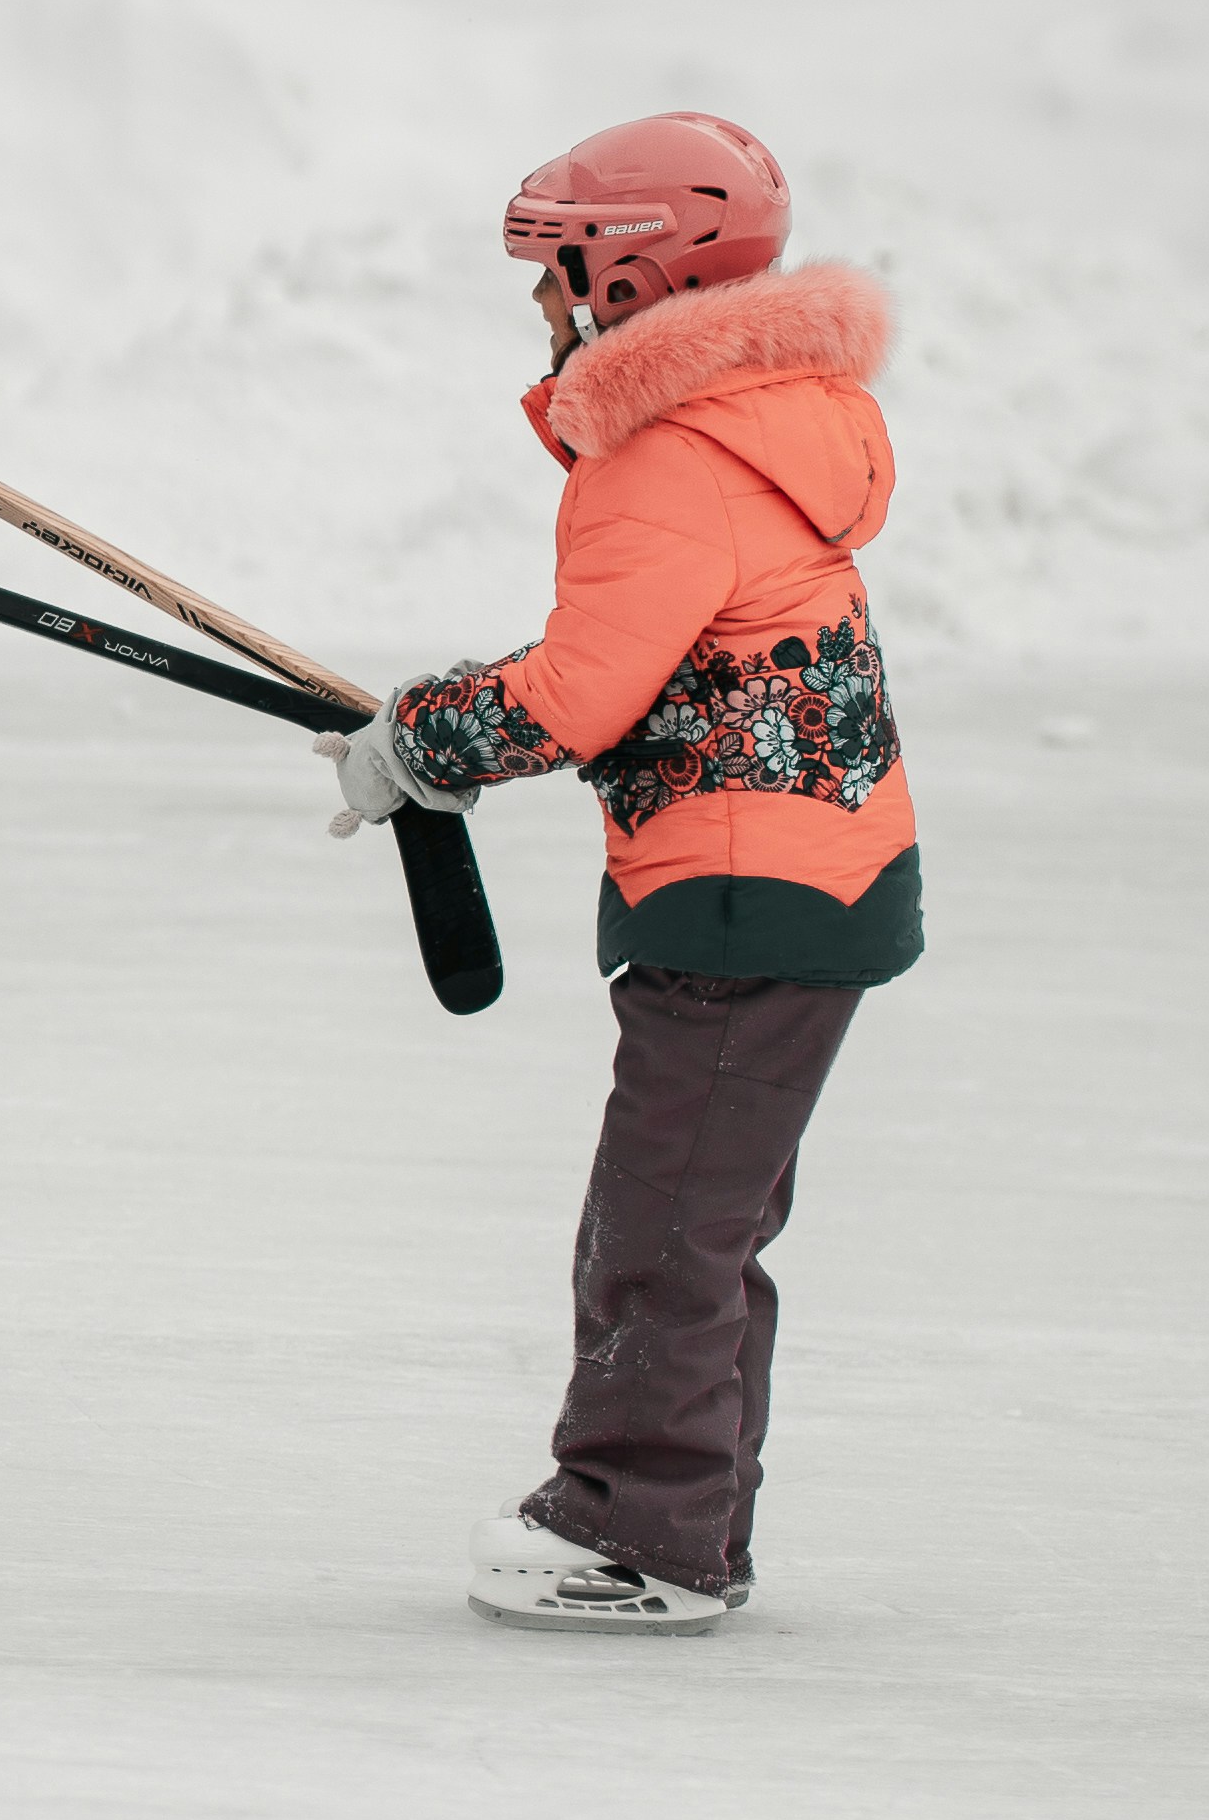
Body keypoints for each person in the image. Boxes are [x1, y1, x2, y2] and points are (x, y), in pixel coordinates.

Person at [322, 113, 922, 1629]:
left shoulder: (664, 453)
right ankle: (689, 1519)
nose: (540, 303)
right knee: (705, 1225)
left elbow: (581, 693)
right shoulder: (771, 417)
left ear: (637, 281)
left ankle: (638, 1533)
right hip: (811, 875)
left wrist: (426, 739)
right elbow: (644, 666)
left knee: (659, 1233)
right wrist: (442, 728)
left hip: (742, 896)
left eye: (558, 272)